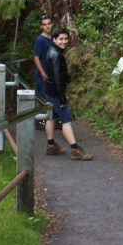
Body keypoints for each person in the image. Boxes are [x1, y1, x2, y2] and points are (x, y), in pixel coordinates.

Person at [44, 26, 93, 160]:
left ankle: (51, 145)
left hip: (49, 90)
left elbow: (56, 75)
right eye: (61, 39)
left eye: (66, 39)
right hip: (55, 92)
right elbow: (57, 79)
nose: (64, 41)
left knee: (52, 117)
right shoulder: (56, 55)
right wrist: (62, 99)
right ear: (54, 39)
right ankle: (75, 149)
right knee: (66, 120)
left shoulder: (52, 51)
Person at [33, 13, 53, 106]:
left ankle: (49, 119)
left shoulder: (53, 38)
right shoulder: (39, 40)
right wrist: (42, 73)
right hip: (43, 75)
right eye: (44, 24)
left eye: (49, 24)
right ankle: (39, 119)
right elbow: (36, 57)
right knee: (41, 99)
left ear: (52, 24)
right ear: (41, 26)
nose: (47, 26)